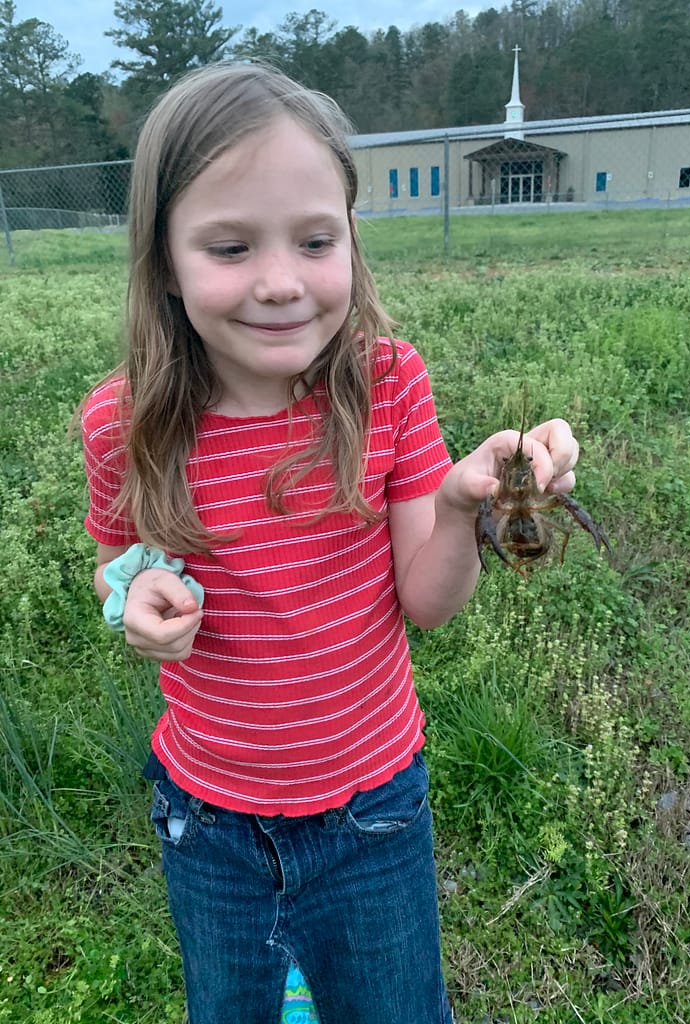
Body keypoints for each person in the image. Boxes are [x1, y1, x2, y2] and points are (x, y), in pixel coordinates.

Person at [80, 61, 579, 1024]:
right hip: (208, 820)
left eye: (315, 240)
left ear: (351, 237)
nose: (279, 283)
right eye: (228, 247)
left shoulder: (387, 385)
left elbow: (425, 603)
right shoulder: (126, 419)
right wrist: (130, 598)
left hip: (372, 812)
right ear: (164, 262)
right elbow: (118, 561)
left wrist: (462, 505)